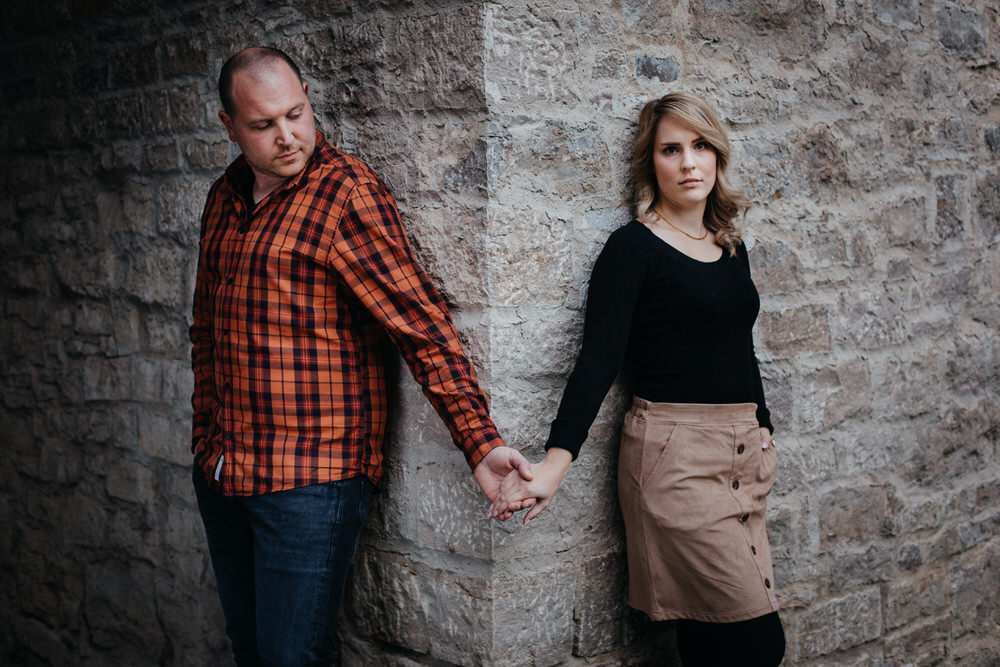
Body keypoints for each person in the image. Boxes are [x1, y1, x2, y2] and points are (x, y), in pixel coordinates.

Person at [190, 46, 533, 666]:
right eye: (264, 125)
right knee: (247, 651)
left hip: (309, 481)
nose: (288, 136)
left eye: (296, 114)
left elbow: (422, 329)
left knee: (292, 658)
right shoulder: (223, 197)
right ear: (228, 124)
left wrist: (480, 445)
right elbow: (207, 333)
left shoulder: (345, 196)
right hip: (223, 472)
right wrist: (203, 445)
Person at [492, 92, 785, 666]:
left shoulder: (730, 248)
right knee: (756, 643)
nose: (688, 162)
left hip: (743, 457)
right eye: (671, 149)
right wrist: (556, 462)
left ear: (718, 155)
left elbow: (739, 345)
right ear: (651, 164)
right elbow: (599, 360)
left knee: (709, 639)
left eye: (700, 146)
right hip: (675, 461)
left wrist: (765, 426)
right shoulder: (633, 249)